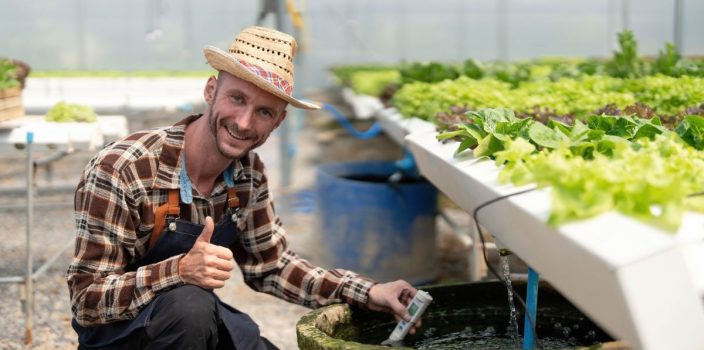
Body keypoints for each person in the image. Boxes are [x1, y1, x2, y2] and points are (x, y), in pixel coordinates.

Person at [66, 26, 420, 350]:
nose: (244, 122)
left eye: (264, 112)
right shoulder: (125, 168)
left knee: (207, 315)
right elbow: (87, 301)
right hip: (120, 336)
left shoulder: (248, 174)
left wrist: (369, 291)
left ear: (278, 121)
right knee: (189, 303)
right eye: (237, 98)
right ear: (210, 91)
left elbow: (273, 266)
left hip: (193, 327)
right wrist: (178, 271)